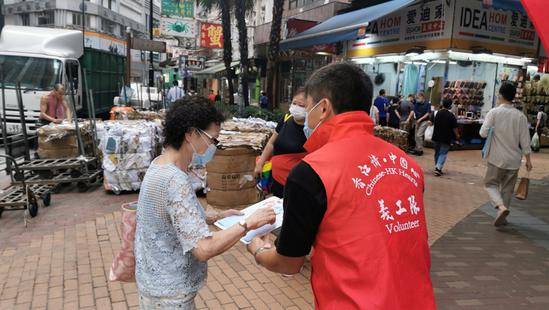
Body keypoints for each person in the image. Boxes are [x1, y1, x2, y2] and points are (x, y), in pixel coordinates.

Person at [246, 63, 435, 309]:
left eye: (307, 105)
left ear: (323, 108)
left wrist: (259, 250)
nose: (303, 115)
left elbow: (289, 263)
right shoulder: (408, 165)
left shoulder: (311, 172)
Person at [134, 97, 276, 309]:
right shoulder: (174, 180)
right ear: (191, 134)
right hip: (170, 296)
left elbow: (172, 217)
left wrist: (217, 216)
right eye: (212, 139)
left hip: (155, 285)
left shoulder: (159, 165)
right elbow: (203, 248)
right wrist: (248, 224)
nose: (213, 146)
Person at [479, 81, 533, 227]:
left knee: (490, 184)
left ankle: (500, 207)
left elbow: (483, 133)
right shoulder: (520, 116)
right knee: (507, 189)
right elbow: (525, 141)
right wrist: (528, 160)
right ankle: (503, 217)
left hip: (496, 158)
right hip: (514, 160)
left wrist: (493, 129)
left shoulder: (494, 112)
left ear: (500, 95)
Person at [255, 88, 307, 198]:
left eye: (301, 105)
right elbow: (271, 144)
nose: (296, 107)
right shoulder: (286, 118)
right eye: (294, 103)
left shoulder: (311, 128)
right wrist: (260, 163)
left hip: (295, 183)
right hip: (276, 179)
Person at [431, 98, 459, 176]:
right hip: (446, 137)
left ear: (442, 104)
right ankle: (438, 168)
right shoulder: (451, 115)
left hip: (436, 136)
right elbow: (455, 127)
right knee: (443, 153)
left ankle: (437, 167)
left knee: (437, 152)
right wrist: (457, 135)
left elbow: (430, 122)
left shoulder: (436, 113)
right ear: (450, 106)